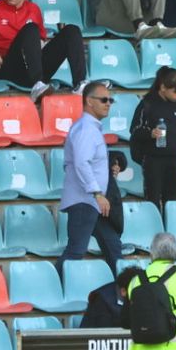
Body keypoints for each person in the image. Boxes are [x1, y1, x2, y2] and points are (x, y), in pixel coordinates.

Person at [59, 80, 119, 276]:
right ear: (89, 102)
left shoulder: (89, 128)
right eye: (103, 99)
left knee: (112, 247)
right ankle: (54, 283)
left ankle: (123, 287)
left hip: (93, 202)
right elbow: (81, 163)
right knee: (75, 250)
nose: (108, 103)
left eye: (110, 100)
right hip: (87, 200)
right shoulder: (85, 129)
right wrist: (97, 193)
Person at [130, 68, 176, 207]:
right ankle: (154, 226)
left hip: (173, 156)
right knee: (153, 198)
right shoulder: (147, 104)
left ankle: (170, 227)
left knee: (172, 198)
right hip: (153, 158)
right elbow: (135, 129)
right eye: (175, 91)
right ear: (162, 87)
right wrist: (150, 133)